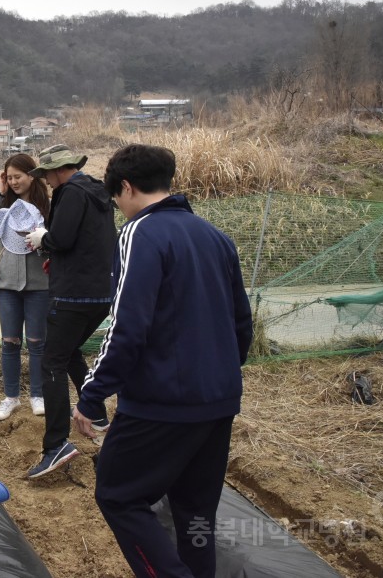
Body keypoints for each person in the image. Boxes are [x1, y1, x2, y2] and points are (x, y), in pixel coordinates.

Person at [74, 144, 253, 578]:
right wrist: (221, 376)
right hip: (217, 401)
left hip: (162, 403)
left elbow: (127, 326)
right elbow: (241, 323)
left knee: (119, 495)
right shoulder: (214, 235)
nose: (117, 206)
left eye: (116, 197)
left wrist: (93, 394)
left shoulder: (141, 234)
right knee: (195, 511)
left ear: (127, 187)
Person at [22, 144, 116, 479]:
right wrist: (58, 254)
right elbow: (86, 242)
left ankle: (56, 443)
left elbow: (61, 237)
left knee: (51, 362)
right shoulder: (98, 193)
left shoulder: (71, 192)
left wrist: (42, 238)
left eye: (46, 173)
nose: (45, 180)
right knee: (69, 350)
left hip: (72, 295)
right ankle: (100, 415)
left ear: (59, 169)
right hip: (98, 293)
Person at [0, 153, 51, 421]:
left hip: (40, 284)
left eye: (18, 176)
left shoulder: (47, 207)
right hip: (7, 284)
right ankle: (11, 397)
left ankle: (38, 395)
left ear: (32, 175)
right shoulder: (5, 205)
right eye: (9, 177)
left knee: (37, 342)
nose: (14, 181)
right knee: (10, 341)